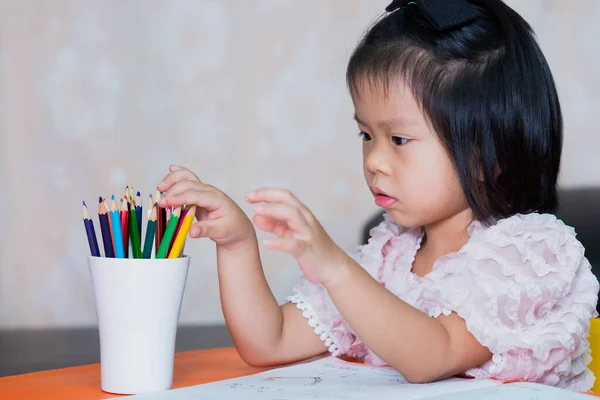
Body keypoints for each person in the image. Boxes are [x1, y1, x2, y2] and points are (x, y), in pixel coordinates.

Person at [157, 0, 599, 391]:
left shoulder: (531, 252)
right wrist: (236, 243)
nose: (373, 161)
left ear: (489, 154)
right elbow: (268, 341)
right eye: (366, 135)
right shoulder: (390, 253)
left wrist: (334, 267)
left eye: (399, 139)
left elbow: (435, 354)